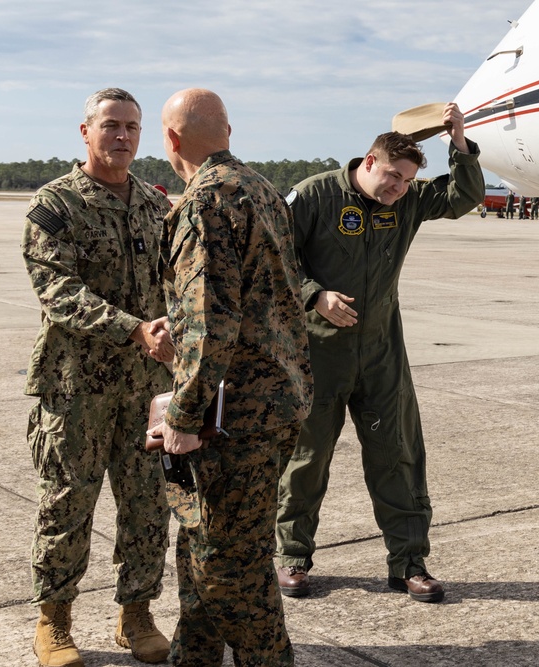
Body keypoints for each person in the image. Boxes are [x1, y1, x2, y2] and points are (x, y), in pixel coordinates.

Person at [275, 106, 484, 604]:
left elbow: (464, 196)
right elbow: (275, 256)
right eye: (393, 175)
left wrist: (459, 142)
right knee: (307, 458)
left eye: (408, 180)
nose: (399, 187)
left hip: (382, 351)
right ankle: (292, 557)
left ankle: (408, 563)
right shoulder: (314, 194)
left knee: (398, 456)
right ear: (369, 161)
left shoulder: (406, 203)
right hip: (317, 351)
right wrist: (313, 294)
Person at [153, 88, 313, 666]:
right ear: (227, 130)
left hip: (235, 414)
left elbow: (211, 323)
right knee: (202, 543)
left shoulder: (206, 201)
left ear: (172, 139)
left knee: (228, 564)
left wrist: (184, 415)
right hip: (276, 397)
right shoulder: (261, 189)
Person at [22, 87, 175, 667]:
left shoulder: (157, 206)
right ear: (85, 132)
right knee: (67, 504)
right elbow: (58, 292)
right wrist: (135, 328)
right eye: (111, 125)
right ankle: (53, 620)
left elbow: (179, 282)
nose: (123, 136)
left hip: (144, 389)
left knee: (147, 506)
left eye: (132, 127)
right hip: (75, 388)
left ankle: (136, 613)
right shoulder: (55, 206)